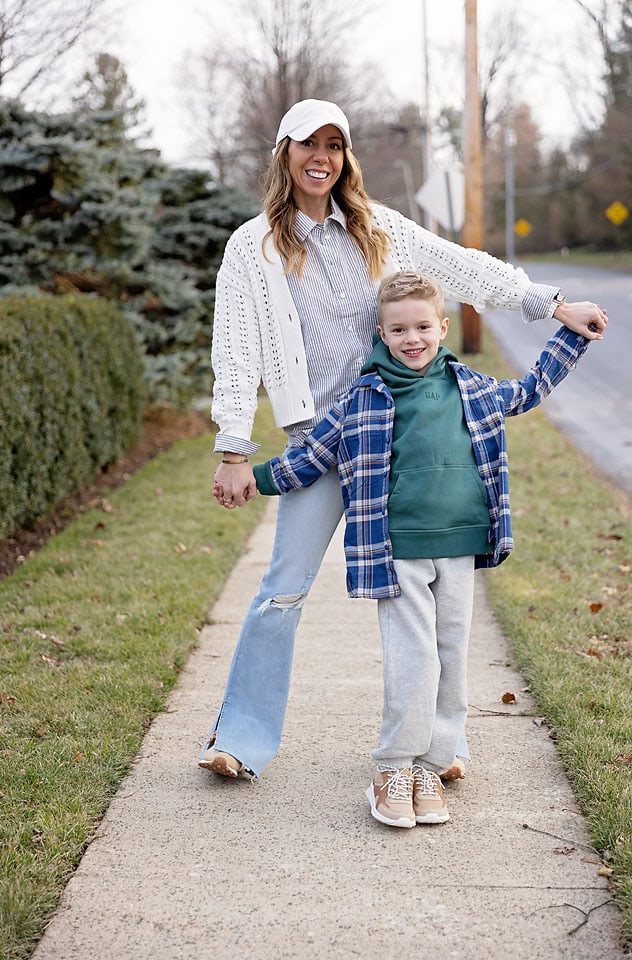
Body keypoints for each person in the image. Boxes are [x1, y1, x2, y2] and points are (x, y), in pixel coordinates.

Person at [199, 97, 607, 781]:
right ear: (285, 154)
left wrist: (552, 303)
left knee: (430, 601)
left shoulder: (380, 231)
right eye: (307, 145)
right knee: (283, 588)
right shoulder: (254, 248)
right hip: (319, 440)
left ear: (346, 155)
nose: (320, 157)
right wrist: (234, 449)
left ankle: (445, 749)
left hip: (397, 433)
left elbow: (462, 268)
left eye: (334, 144)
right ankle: (239, 738)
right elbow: (235, 351)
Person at [248, 271, 591, 827]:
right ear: (381, 335)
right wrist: (252, 478)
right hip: (397, 549)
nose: (413, 338)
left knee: (452, 654)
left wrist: (569, 335)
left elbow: (527, 391)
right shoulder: (361, 400)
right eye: (399, 329)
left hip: (460, 544)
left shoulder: (470, 388)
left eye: (423, 327)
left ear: (442, 327)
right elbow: (308, 457)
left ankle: (434, 761)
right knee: (417, 658)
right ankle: (393, 765)